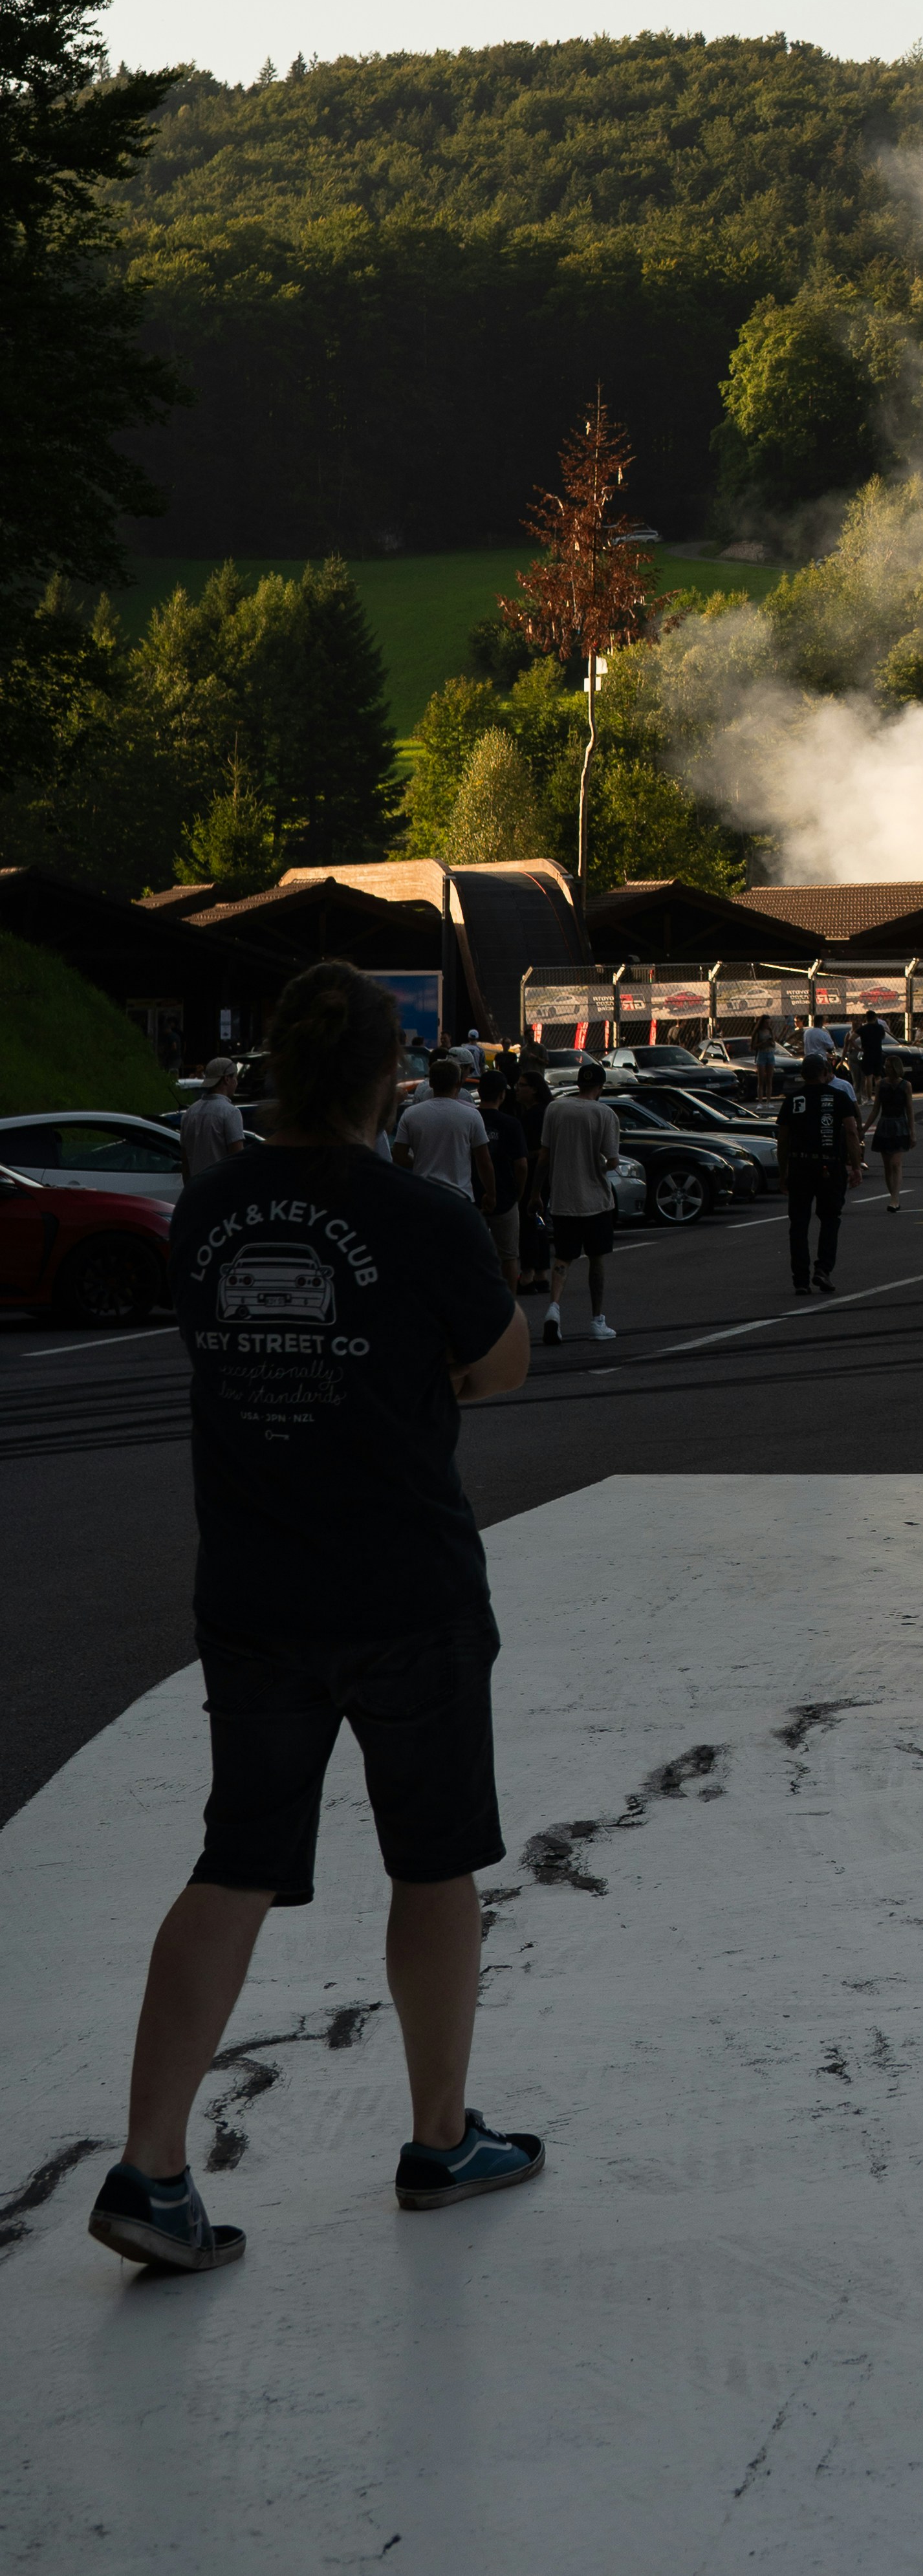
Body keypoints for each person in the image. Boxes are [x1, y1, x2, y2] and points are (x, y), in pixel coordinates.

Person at [88, 959, 537, 2278]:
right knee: (433, 1857)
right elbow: (499, 1358)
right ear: (387, 1083)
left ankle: (153, 2165)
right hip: (406, 1587)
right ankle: (439, 2139)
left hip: (254, 1591)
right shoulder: (419, 1215)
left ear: (273, 1072)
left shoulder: (207, 1211)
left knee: (236, 1860)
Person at [537, 1061, 624, 1345]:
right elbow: (611, 1161)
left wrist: (535, 1193)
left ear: (578, 1083)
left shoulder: (556, 1108)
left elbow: (544, 1155)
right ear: (599, 1088)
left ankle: (554, 1310)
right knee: (596, 1261)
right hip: (596, 1200)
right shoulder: (606, 1114)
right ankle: (597, 1320)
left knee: (563, 1259)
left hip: (563, 1198)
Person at [778, 1050, 863, 1293]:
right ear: (825, 1073)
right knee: (830, 1219)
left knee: (799, 1224)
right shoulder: (839, 1097)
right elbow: (851, 1132)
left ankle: (801, 1280)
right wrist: (855, 1166)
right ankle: (823, 1269)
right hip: (830, 1165)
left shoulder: (793, 1101)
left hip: (800, 1166)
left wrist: (784, 1173)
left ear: (803, 1075)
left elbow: (783, 1141)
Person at [393, 1054, 494, 1211]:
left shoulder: (411, 1114)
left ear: (431, 1083)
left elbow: (399, 1157)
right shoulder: (472, 1115)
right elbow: (484, 1160)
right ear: (459, 1083)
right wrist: (491, 1194)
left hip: (423, 1196)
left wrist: (421, 1162)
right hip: (460, 1198)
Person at [477, 1074, 527, 1301]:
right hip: (506, 1195)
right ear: (502, 1095)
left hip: (472, 1194)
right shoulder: (511, 1124)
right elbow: (521, 1164)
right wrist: (520, 1191)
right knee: (509, 1257)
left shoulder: (471, 1119)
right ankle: (510, 1309)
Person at [510, 1065, 554, 1292]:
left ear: (535, 1089)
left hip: (533, 1180)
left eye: (522, 1086)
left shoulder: (535, 1115)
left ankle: (527, 1275)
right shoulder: (543, 1111)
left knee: (529, 1225)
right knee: (538, 1225)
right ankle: (540, 1274)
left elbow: (539, 1150)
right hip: (543, 1180)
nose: (517, 1089)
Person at [176, 1057, 246, 1186]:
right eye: (235, 1078)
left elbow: (185, 1162)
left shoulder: (190, 1113)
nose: (236, 1083)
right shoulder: (231, 1113)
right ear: (227, 1079)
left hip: (196, 1190)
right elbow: (238, 1159)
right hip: (221, 1191)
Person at [869, 1054, 915, 1211]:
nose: (886, 1069)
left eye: (889, 1066)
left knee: (896, 1163)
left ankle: (895, 1199)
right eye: (886, 1066)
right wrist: (864, 1128)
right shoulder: (880, 1085)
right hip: (885, 1125)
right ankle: (893, 1196)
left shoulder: (906, 1085)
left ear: (896, 1068)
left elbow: (909, 1110)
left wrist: (912, 1132)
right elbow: (876, 1109)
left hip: (900, 1125)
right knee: (888, 1166)